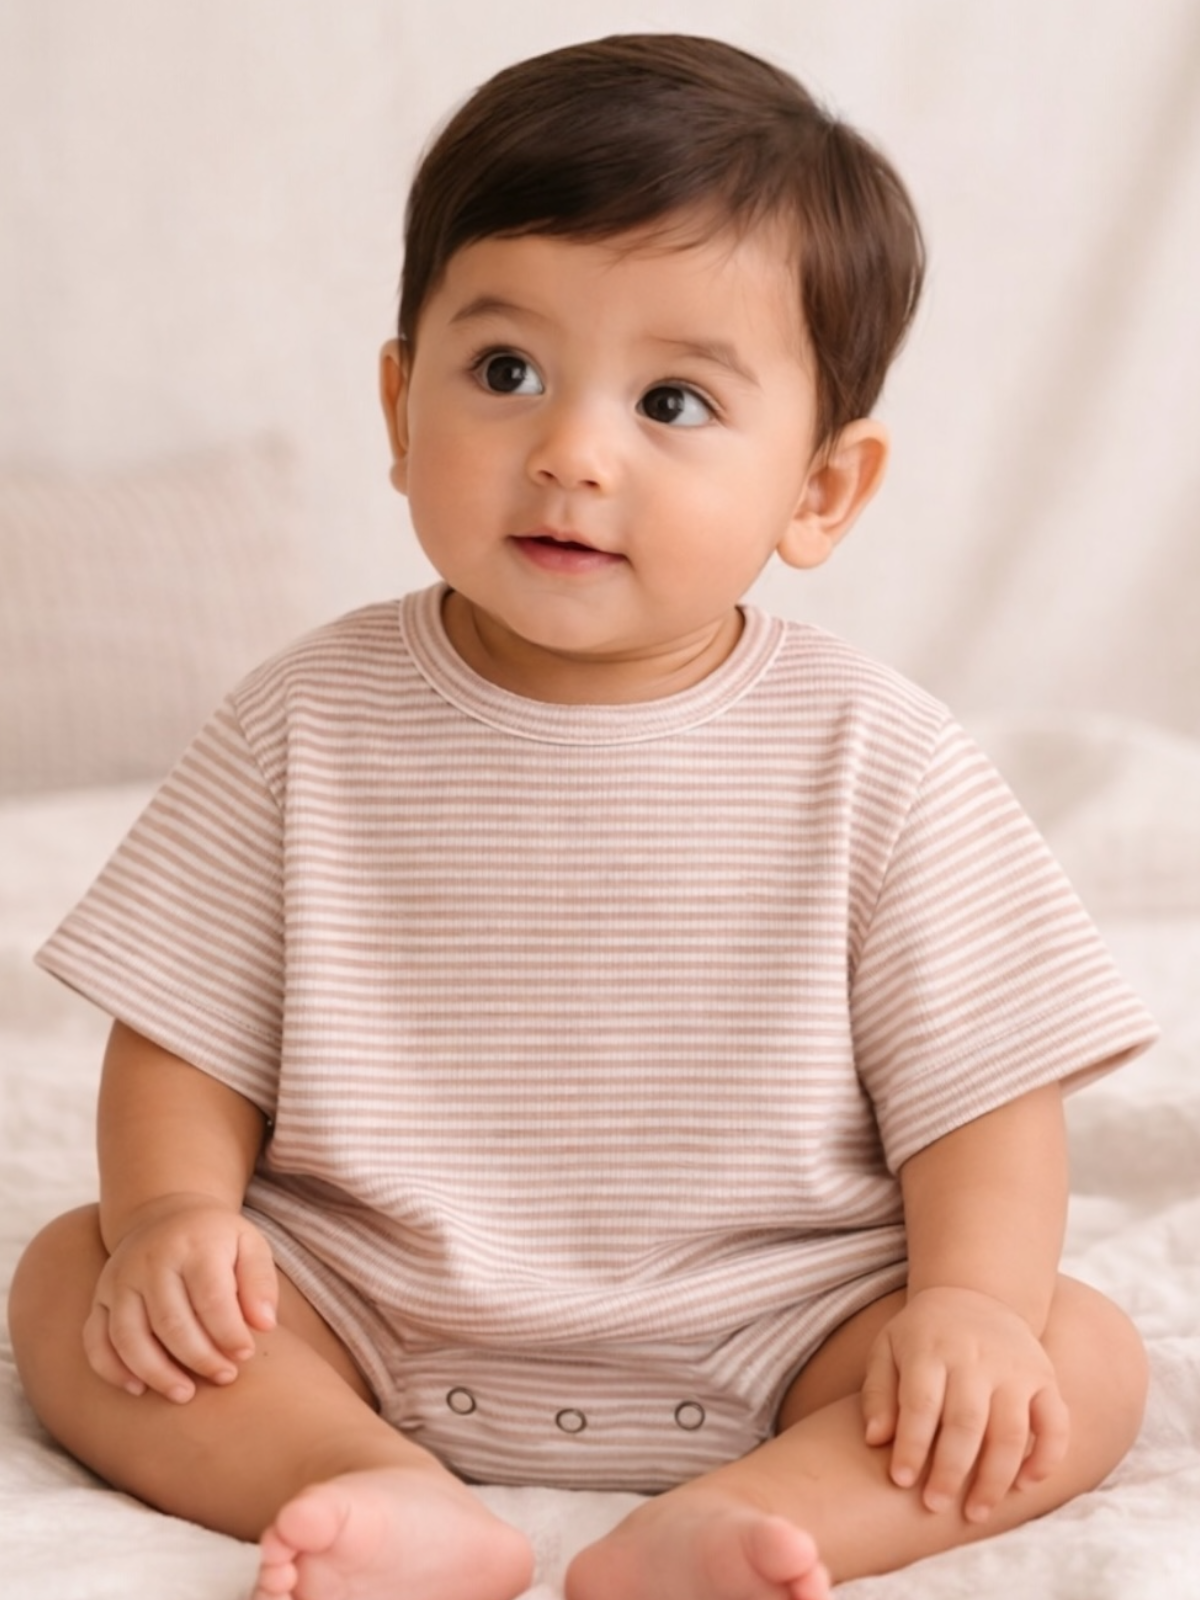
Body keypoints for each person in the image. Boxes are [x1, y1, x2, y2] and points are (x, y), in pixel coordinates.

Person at [8, 33, 1157, 1600]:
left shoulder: (876, 756)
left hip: (783, 1316)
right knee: (70, 1280)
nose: (571, 451)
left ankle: (754, 1519)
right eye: (504, 373)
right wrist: (174, 1217)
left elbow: (984, 1096)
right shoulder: (304, 721)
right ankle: (366, 1482)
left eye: (674, 399)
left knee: (1069, 1351)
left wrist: (961, 1301)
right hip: (360, 1302)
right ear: (402, 402)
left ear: (821, 489)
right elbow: (187, 1037)